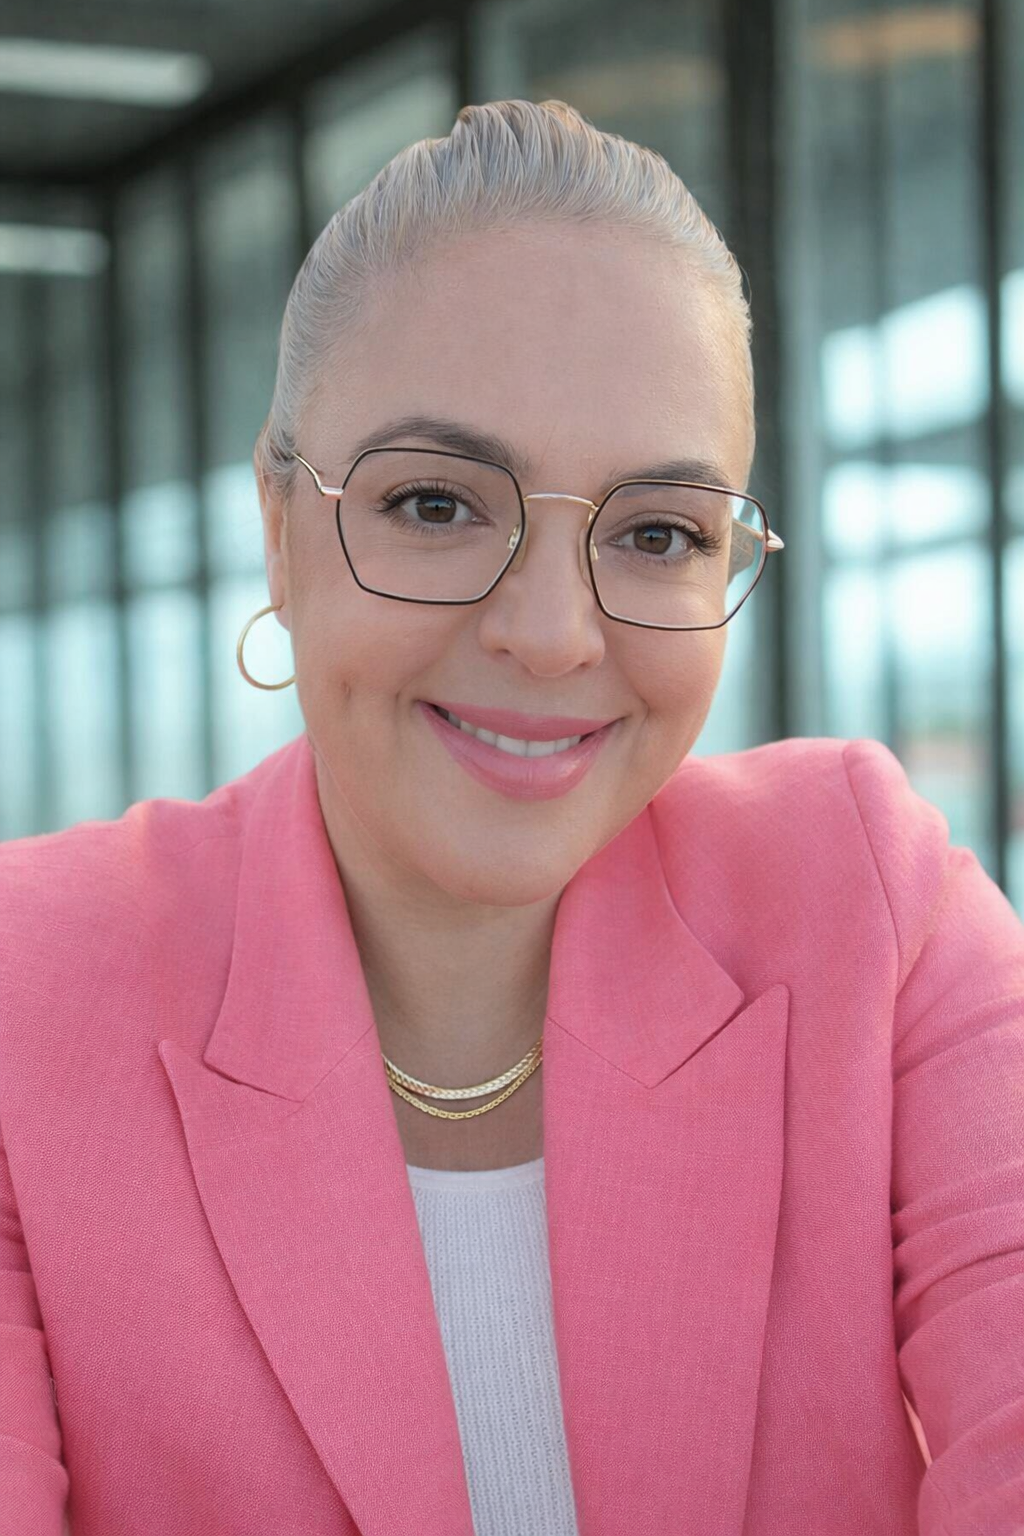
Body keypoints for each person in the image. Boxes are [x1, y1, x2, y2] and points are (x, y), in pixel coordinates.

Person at [0, 98, 1021, 1536]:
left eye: (658, 532)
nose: (550, 636)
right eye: (436, 505)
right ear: (282, 530)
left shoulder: (871, 908)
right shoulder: (28, 990)